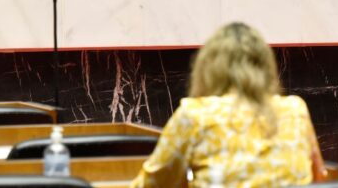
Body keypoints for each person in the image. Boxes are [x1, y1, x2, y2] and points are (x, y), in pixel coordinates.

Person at [130, 22, 326, 188]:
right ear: (266, 68)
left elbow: (150, 185)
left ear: (207, 69)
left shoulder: (195, 115)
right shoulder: (294, 110)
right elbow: (319, 180)